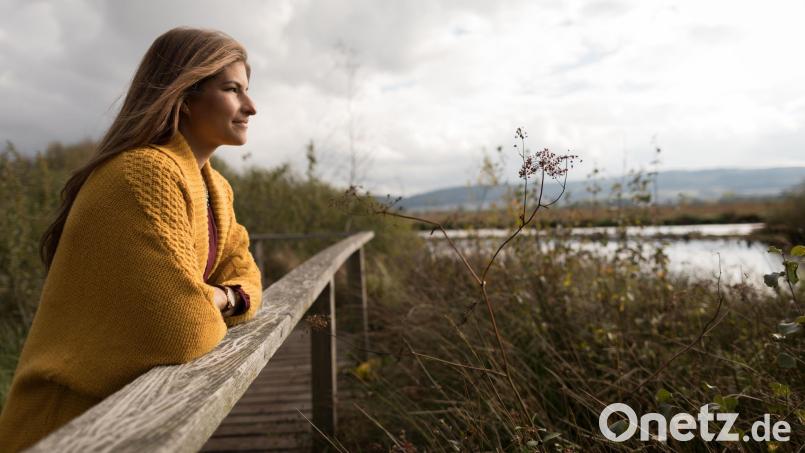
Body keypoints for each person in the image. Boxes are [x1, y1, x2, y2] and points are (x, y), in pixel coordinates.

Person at [0, 27, 262, 452]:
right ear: (184, 95)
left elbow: (248, 276)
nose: (251, 107)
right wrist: (216, 300)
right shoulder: (144, 174)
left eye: (246, 90)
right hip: (67, 426)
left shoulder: (216, 188)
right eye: (233, 90)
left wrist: (220, 298)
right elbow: (183, 330)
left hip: (136, 418)